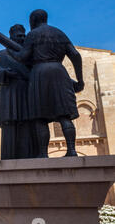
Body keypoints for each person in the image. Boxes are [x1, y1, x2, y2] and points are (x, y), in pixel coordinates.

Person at [8, 9, 84, 158]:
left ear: (33, 21)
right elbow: (75, 55)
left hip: (40, 74)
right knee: (65, 115)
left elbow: (23, 57)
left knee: (40, 117)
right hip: (59, 72)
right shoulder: (59, 33)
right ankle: (72, 150)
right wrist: (80, 79)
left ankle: (43, 153)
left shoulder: (33, 34)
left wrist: (10, 51)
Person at [0, 24, 37, 159]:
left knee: (28, 128)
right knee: (9, 131)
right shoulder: (1, 55)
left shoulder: (30, 57)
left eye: (23, 36)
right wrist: (3, 72)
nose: (21, 38)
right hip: (9, 97)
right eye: (18, 36)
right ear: (11, 37)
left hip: (26, 95)